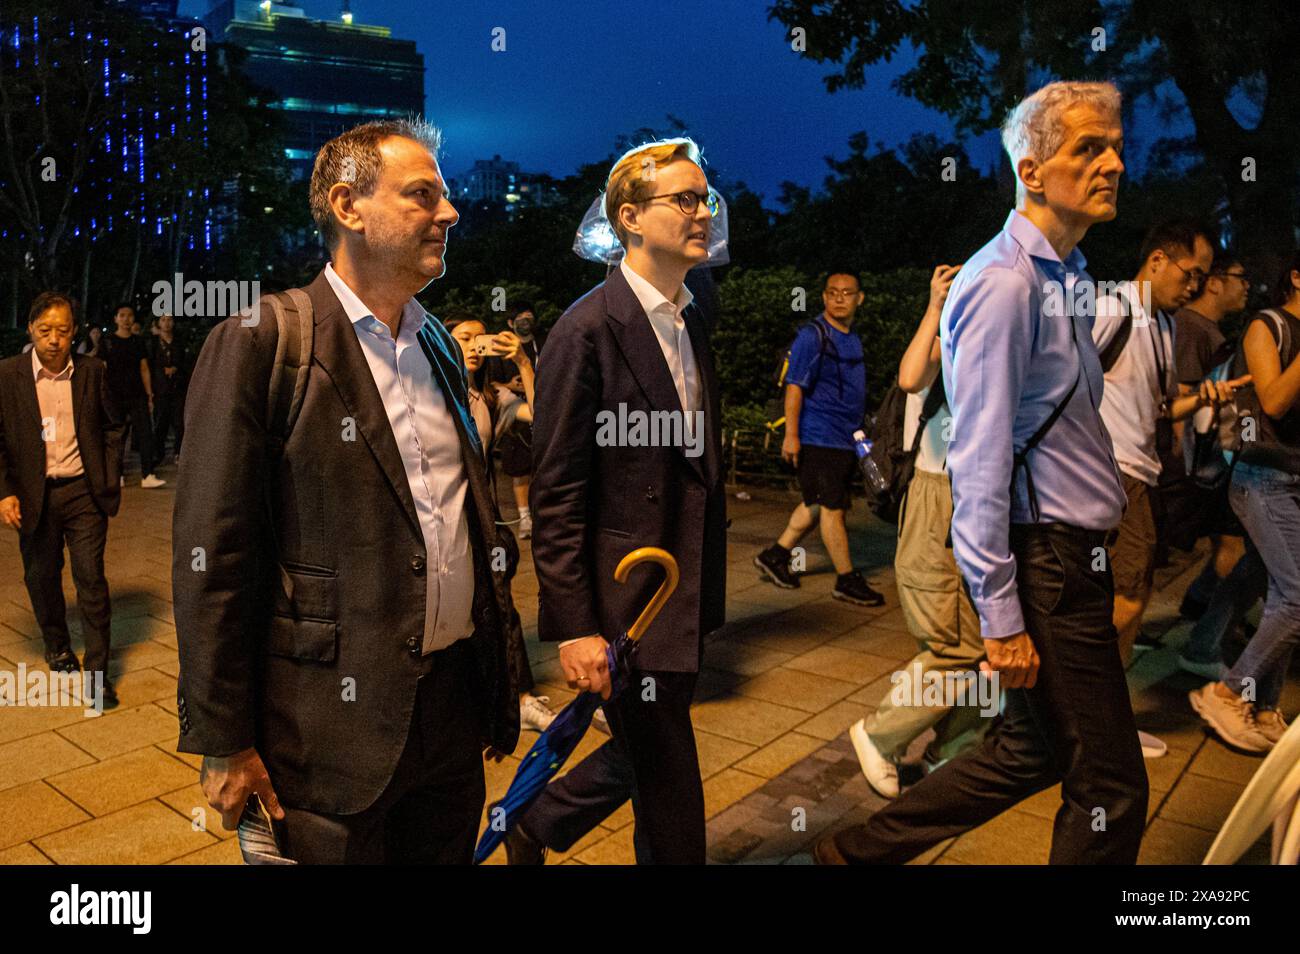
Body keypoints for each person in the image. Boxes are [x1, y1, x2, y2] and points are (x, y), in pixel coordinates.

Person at [815, 80, 1149, 865]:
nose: (1113, 164)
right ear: (1031, 171)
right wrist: (1000, 618)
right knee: (1111, 786)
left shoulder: (1065, 277)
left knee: (1027, 753)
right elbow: (979, 457)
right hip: (1050, 561)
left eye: (1115, 146)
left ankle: (850, 855)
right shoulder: (1002, 284)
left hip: (1070, 556)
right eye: (1088, 149)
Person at [172, 118, 519, 864]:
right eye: (423, 195)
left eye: (447, 196)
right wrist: (224, 739)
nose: (450, 213)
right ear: (348, 205)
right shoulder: (264, 339)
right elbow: (213, 556)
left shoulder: (438, 348)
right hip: (325, 733)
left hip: (450, 718)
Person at [514, 137, 725, 865]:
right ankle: (535, 822)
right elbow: (557, 490)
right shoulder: (586, 330)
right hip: (623, 599)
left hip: (679, 589)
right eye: (685, 200)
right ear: (630, 217)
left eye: (706, 198)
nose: (703, 212)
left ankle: (535, 821)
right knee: (669, 774)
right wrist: (573, 626)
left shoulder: (692, 315)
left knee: (649, 748)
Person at [1090, 222, 1246, 759]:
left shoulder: (1162, 326)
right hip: (1113, 471)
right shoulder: (1112, 309)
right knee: (1129, 598)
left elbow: (1159, 409)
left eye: (1204, 278)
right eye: (1191, 274)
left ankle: (1095, 716)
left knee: (1127, 595)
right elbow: (1063, 382)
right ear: (1158, 260)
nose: (1196, 287)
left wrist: (1206, 396)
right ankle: (1088, 713)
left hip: (1141, 472)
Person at [846, 263, 991, 797]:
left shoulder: (1014, 345)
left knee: (988, 644)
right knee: (955, 645)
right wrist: (935, 307)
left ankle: (951, 752)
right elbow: (910, 377)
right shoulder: (955, 345)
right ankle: (879, 736)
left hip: (985, 504)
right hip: (941, 500)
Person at [1188, 249, 1300, 752]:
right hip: (1262, 478)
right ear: (1295, 276)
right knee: (1297, 597)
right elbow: (1274, 400)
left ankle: (1263, 705)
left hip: (1292, 481)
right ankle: (1227, 692)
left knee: (1280, 593)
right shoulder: (1267, 325)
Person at [0, 292, 124, 708]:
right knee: (41, 576)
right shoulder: (8, 375)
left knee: (91, 579)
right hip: (35, 496)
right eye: (45, 330)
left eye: (63, 330)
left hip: (83, 493)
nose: (54, 339)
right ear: (31, 329)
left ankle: (98, 676)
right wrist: (5, 492)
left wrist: (107, 473)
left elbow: (113, 425)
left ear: (74, 331)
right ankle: (57, 646)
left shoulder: (92, 371)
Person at [445, 313, 557, 734]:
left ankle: (522, 698)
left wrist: (525, 363)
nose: (474, 346)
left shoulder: (490, 397)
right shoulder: (430, 391)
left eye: (480, 339)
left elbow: (546, 420)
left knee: (503, 608)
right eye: (464, 338)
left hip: (485, 525)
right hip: (440, 528)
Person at [753, 269, 885, 606]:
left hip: (844, 438)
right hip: (819, 436)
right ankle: (846, 579)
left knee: (814, 502)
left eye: (847, 292)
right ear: (824, 297)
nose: (840, 298)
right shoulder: (813, 335)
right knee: (833, 507)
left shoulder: (851, 337)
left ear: (860, 298)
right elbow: (795, 386)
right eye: (833, 292)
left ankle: (775, 555)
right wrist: (792, 435)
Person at [486, 303, 545, 539]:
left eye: (529, 315)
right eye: (464, 339)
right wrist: (509, 384)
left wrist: (524, 365)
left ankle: (530, 519)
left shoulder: (542, 342)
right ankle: (524, 516)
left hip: (520, 408)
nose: (525, 319)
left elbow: (537, 414)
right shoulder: (437, 392)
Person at [102, 304, 164, 488]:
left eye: (130, 316)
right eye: (122, 315)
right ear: (115, 319)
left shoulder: (138, 342)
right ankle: (116, 474)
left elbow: (144, 368)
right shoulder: (108, 342)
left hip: (137, 394)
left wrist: (149, 393)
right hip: (114, 395)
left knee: (145, 434)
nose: (126, 319)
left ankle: (148, 474)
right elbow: (102, 369)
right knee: (117, 436)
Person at [147, 314, 188, 469]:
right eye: (163, 320)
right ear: (158, 323)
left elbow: (185, 362)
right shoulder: (153, 343)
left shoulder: (179, 342)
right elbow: (148, 366)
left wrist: (176, 368)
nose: (167, 323)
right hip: (160, 388)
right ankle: (159, 453)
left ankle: (178, 452)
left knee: (180, 422)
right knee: (160, 423)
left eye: (170, 320)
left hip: (177, 388)